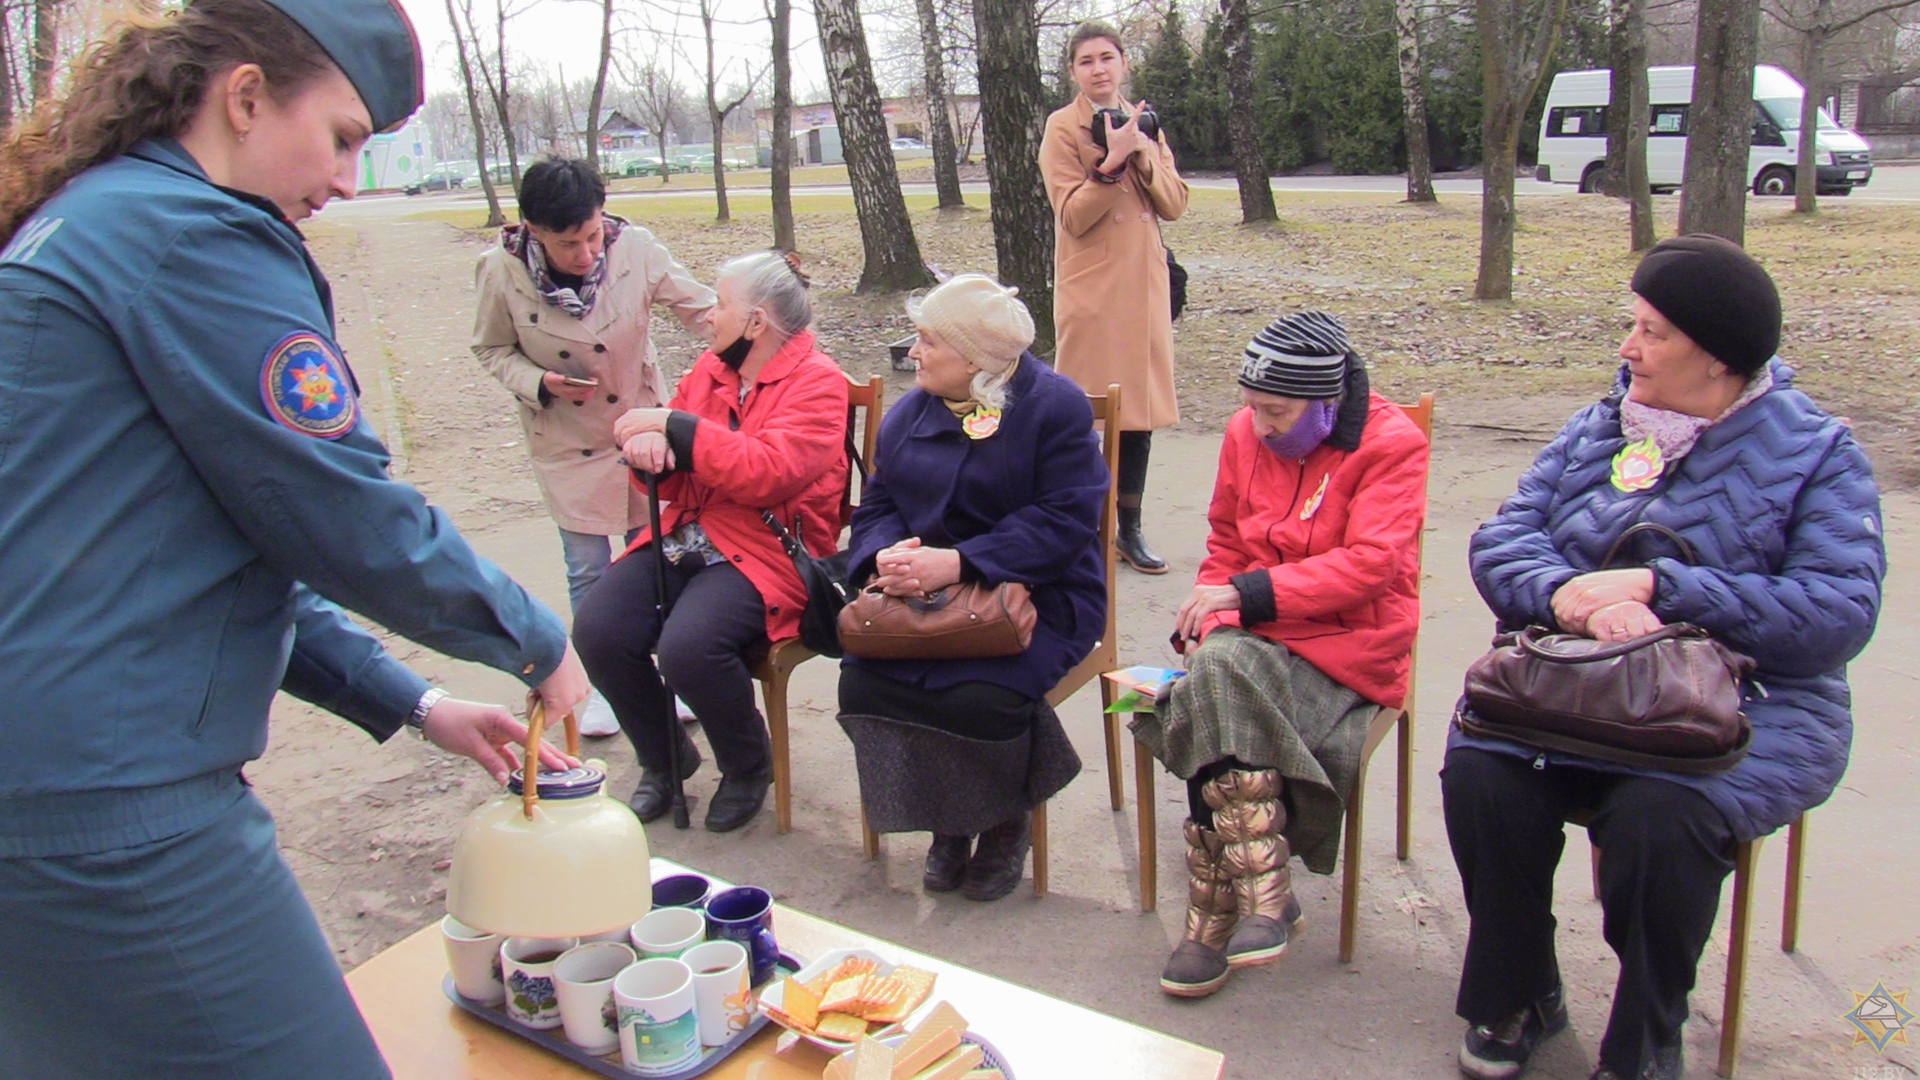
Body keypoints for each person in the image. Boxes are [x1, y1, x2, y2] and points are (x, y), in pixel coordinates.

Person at [0, 2, 591, 1077]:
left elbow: (207, 545)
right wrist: (536, 640)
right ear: (243, 96)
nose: (349, 181)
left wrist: (411, 700)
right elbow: (339, 514)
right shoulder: (194, 237)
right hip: (106, 799)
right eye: (345, 136)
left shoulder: (93, 216)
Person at [1446, 235, 1884, 1080]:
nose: (1627, 347)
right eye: (1630, 325)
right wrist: (1566, 596)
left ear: (1715, 358)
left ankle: (1646, 1036)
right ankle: (1520, 991)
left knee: (1659, 819)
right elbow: (1504, 538)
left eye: (1651, 332)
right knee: (1483, 772)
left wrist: (1661, 591)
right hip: (1574, 683)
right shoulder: (1601, 425)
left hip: (1746, 712)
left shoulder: (1820, 455)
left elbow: (1836, 617)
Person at [1131, 310, 1429, 998]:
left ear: (1327, 404)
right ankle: (1262, 888)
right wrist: (1214, 609)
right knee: (1215, 668)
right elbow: (1226, 540)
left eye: (1276, 412)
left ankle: (1212, 914)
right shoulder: (1246, 432)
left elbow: (1371, 567)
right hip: (1257, 636)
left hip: (1352, 644)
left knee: (1209, 685)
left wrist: (1242, 597)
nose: (1259, 426)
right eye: (1252, 408)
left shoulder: (1391, 444)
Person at [836, 275, 1107, 902]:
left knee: (983, 694)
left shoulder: (1054, 406)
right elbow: (878, 504)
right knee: (866, 680)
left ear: (977, 359)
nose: (914, 352)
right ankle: (948, 818)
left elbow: (1066, 521)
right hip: (926, 597)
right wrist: (887, 556)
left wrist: (961, 562)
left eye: (929, 341)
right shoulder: (910, 414)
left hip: (1043, 594)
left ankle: (1005, 823)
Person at [573, 251, 848, 833]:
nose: (710, 316)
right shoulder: (712, 370)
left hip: (773, 550)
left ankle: (749, 766)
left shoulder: (819, 382)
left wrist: (676, 430)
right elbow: (674, 472)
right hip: (692, 531)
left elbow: (768, 472)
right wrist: (650, 457)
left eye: (721, 304)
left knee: (688, 649)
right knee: (598, 629)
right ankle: (664, 760)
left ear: (757, 322)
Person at [472, 156, 714, 736]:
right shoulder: (499, 271)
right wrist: (537, 383)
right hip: (565, 438)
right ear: (533, 230)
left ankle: (664, 674)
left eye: (592, 235)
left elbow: (702, 309)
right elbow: (490, 349)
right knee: (588, 568)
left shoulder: (636, 250)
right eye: (567, 243)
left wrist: (760, 333)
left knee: (651, 556)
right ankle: (612, 684)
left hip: (639, 426)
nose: (586, 253)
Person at [1041, 21, 1189, 575]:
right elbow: (1072, 215)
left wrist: (1141, 149)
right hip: (1094, 286)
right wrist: (1110, 161)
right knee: (1086, 409)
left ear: (1124, 63)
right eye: (1086, 61)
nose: (1099, 69)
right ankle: (1076, 526)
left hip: (1144, 285)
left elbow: (1174, 204)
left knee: (1140, 411)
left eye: (1107, 57)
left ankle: (1129, 529)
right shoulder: (1062, 126)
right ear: (1074, 71)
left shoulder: (1144, 121)